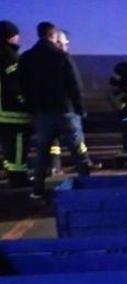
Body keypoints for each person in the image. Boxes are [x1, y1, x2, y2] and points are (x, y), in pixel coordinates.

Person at [19, 21, 92, 199]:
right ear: (54, 35)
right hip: (66, 112)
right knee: (78, 149)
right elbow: (75, 85)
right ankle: (88, 184)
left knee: (42, 153)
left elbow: (23, 86)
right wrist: (80, 110)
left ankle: (38, 189)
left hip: (42, 114)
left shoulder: (26, 58)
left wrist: (31, 109)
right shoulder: (61, 56)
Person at [0, 20, 31, 187]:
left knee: (8, 147)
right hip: (13, 113)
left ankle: (12, 173)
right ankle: (18, 178)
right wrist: (26, 103)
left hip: (3, 113)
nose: (19, 38)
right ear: (10, 37)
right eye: (16, 35)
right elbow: (16, 84)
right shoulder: (10, 57)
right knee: (17, 147)